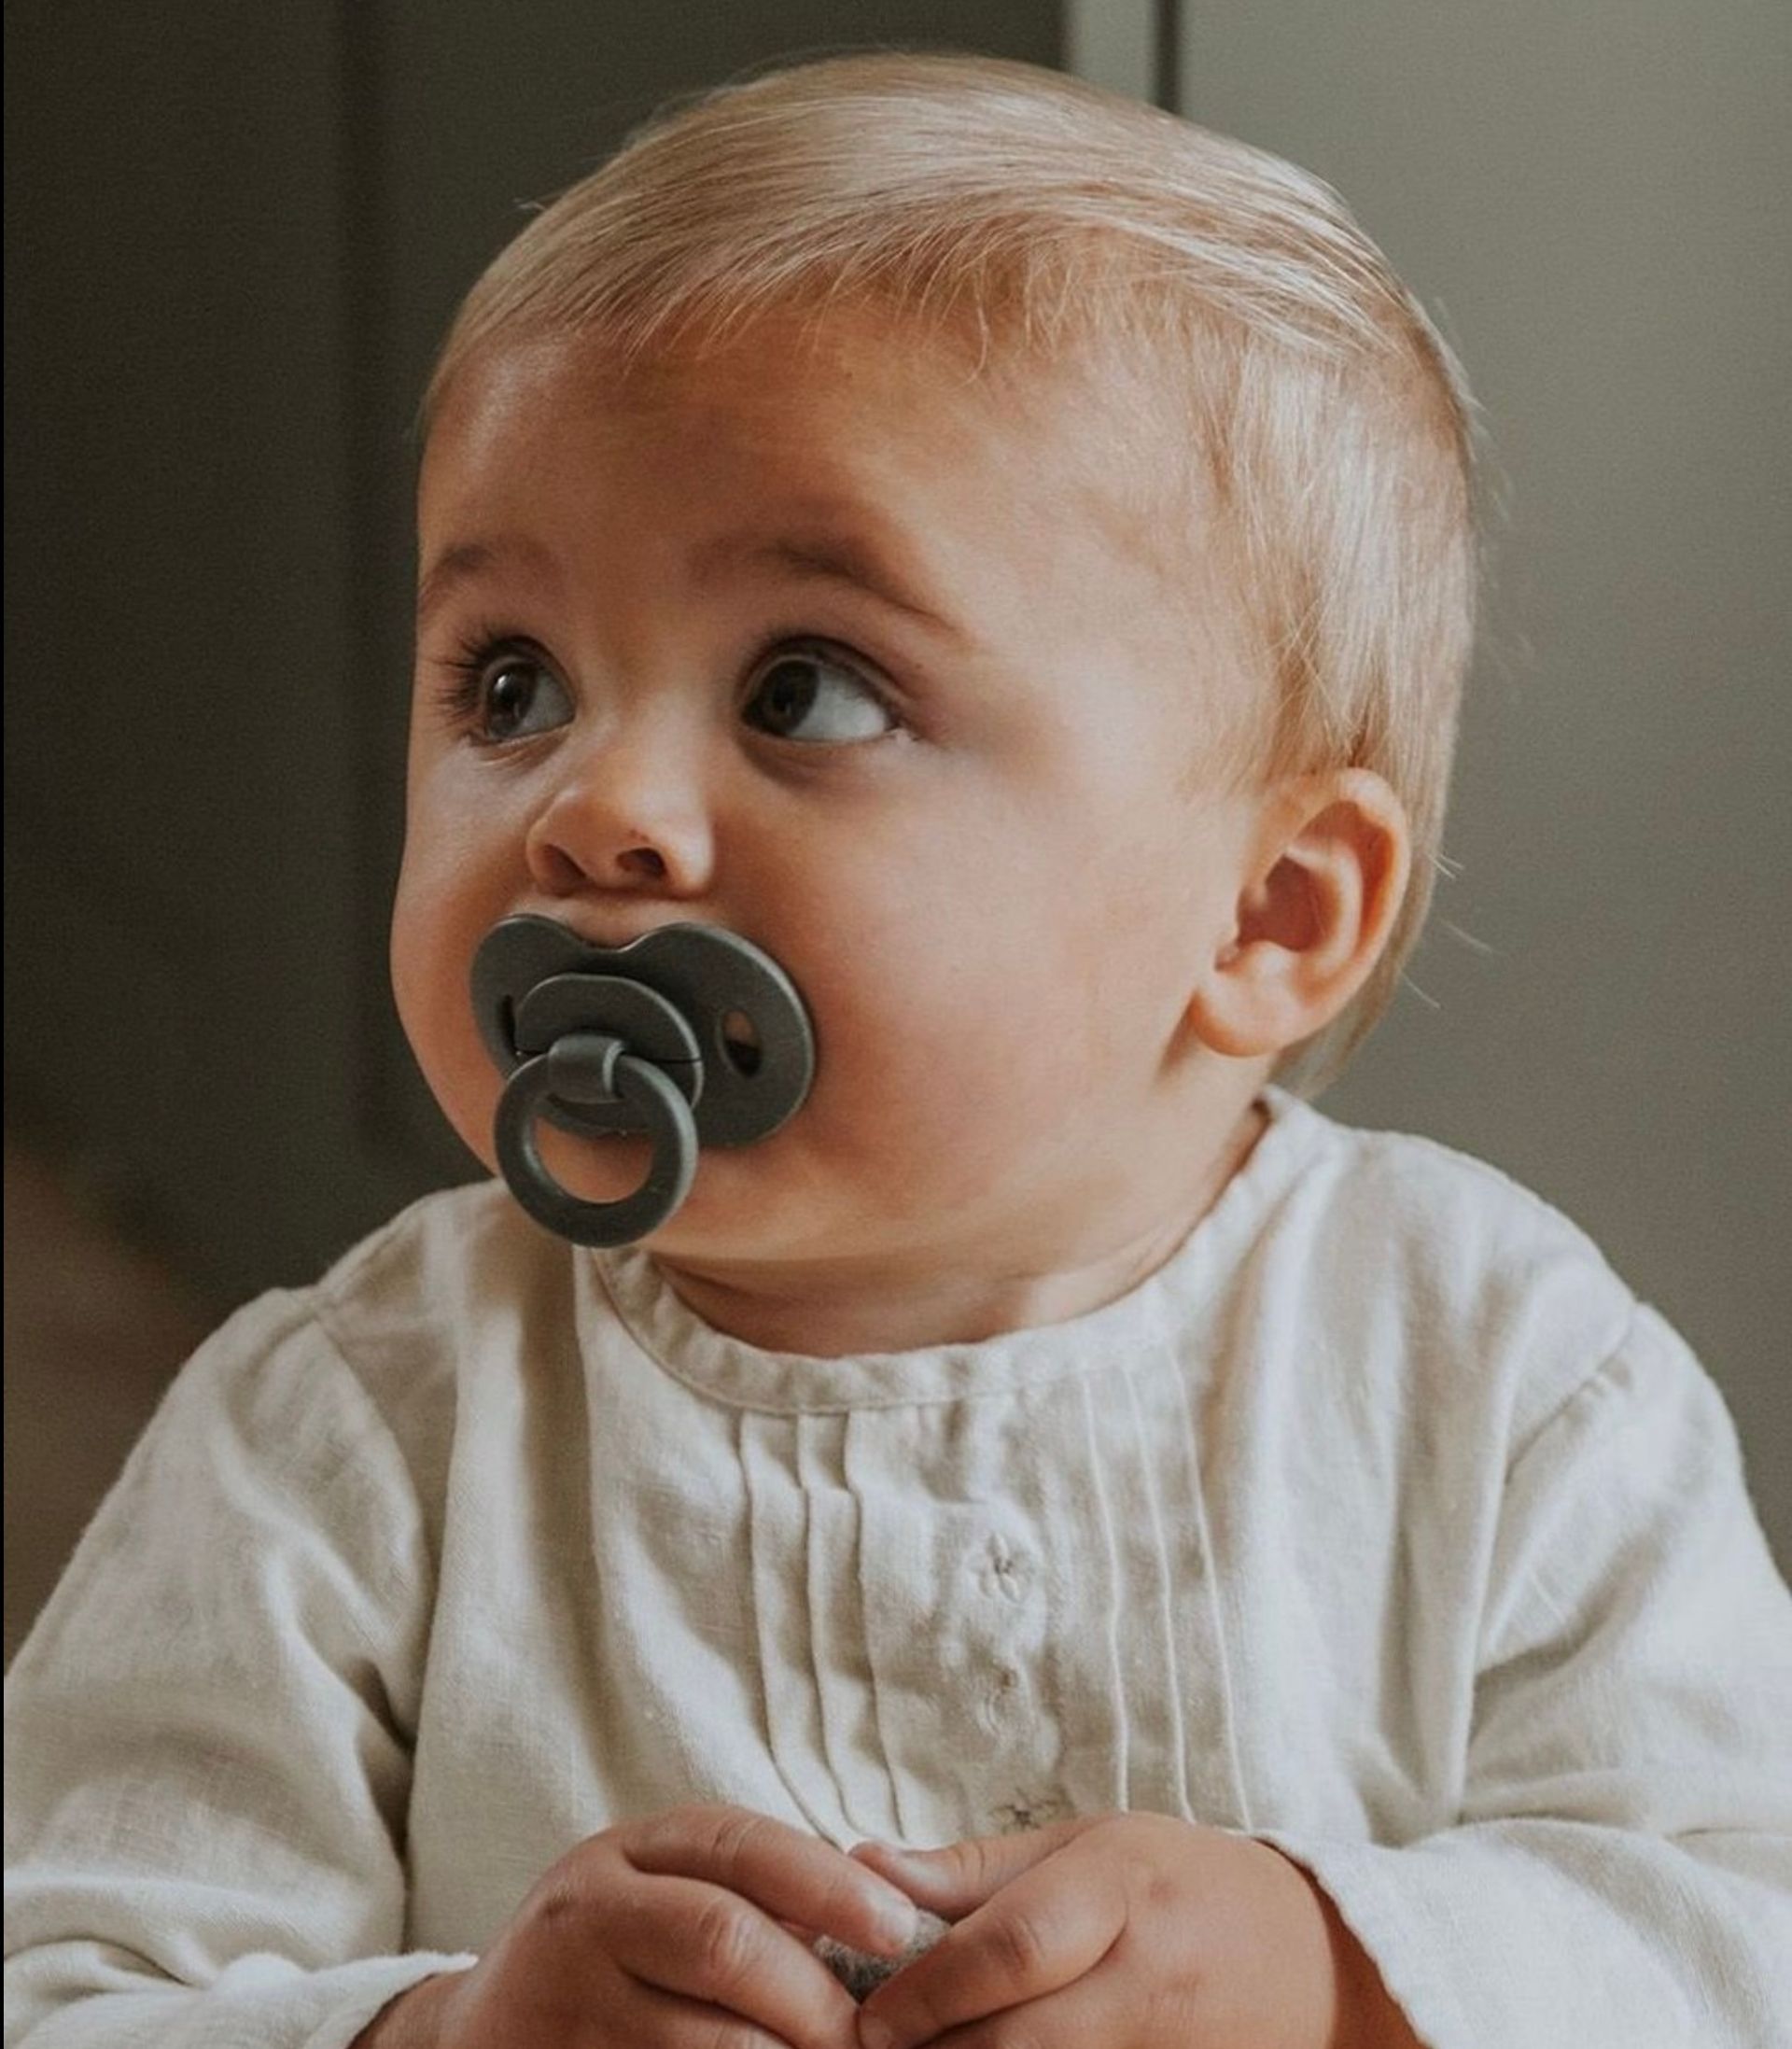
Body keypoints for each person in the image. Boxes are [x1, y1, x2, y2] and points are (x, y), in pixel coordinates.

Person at [6, 49, 1789, 2049]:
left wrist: (1337, 1970)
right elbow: (72, 1990)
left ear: (1268, 913)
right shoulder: (346, 1443)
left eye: (807, 689)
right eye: (512, 683)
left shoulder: (1503, 1383)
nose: (596, 808)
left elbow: (1739, 1925)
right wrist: (446, 2031)